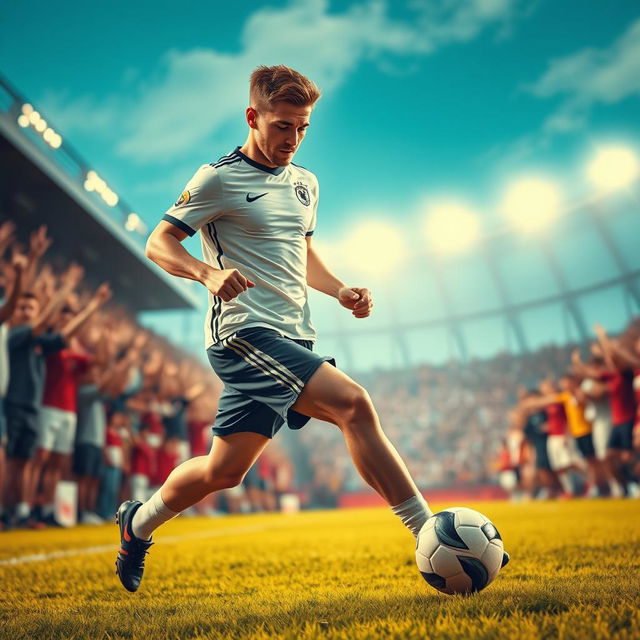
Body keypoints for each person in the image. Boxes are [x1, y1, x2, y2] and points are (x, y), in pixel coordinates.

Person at [116, 64, 508, 593]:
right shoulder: (217, 178)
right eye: (282, 126)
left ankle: (136, 525)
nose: (293, 140)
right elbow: (158, 242)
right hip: (243, 336)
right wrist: (207, 272)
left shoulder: (305, 184)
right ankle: (428, 533)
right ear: (252, 117)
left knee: (222, 471)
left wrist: (340, 289)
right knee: (354, 404)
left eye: (302, 128)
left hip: (292, 338)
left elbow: (299, 252)